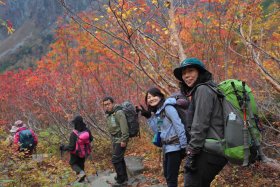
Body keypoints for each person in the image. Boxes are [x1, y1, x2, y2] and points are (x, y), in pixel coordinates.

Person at [173, 57, 228, 187]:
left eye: (190, 71)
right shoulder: (211, 89)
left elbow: (200, 124)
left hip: (207, 150)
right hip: (215, 150)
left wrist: (192, 151)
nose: (186, 76)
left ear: (200, 72)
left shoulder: (203, 89)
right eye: (183, 73)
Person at [137, 87, 187, 187]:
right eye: (149, 98)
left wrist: (184, 146)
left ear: (160, 96)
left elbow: (179, 125)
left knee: (171, 178)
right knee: (167, 176)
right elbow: (158, 131)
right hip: (166, 148)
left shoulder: (168, 108)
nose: (151, 99)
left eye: (154, 96)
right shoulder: (159, 112)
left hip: (175, 146)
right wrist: (149, 117)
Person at [103, 96, 129, 186]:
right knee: (120, 158)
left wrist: (124, 139)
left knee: (115, 159)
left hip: (121, 139)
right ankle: (124, 177)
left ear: (112, 103)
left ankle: (121, 179)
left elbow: (124, 127)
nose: (107, 106)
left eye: (108, 104)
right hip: (115, 139)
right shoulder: (110, 114)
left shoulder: (119, 112)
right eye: (105, 105)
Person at [60, 115, 93, 182]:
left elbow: (71, 147)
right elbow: (91, 139)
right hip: (84, 151)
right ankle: (81, 179)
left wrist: (63, 148)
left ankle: (81, 174)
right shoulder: (87, 130)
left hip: (76, 153)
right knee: (81, 164)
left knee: (73, 164)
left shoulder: (74, 134)